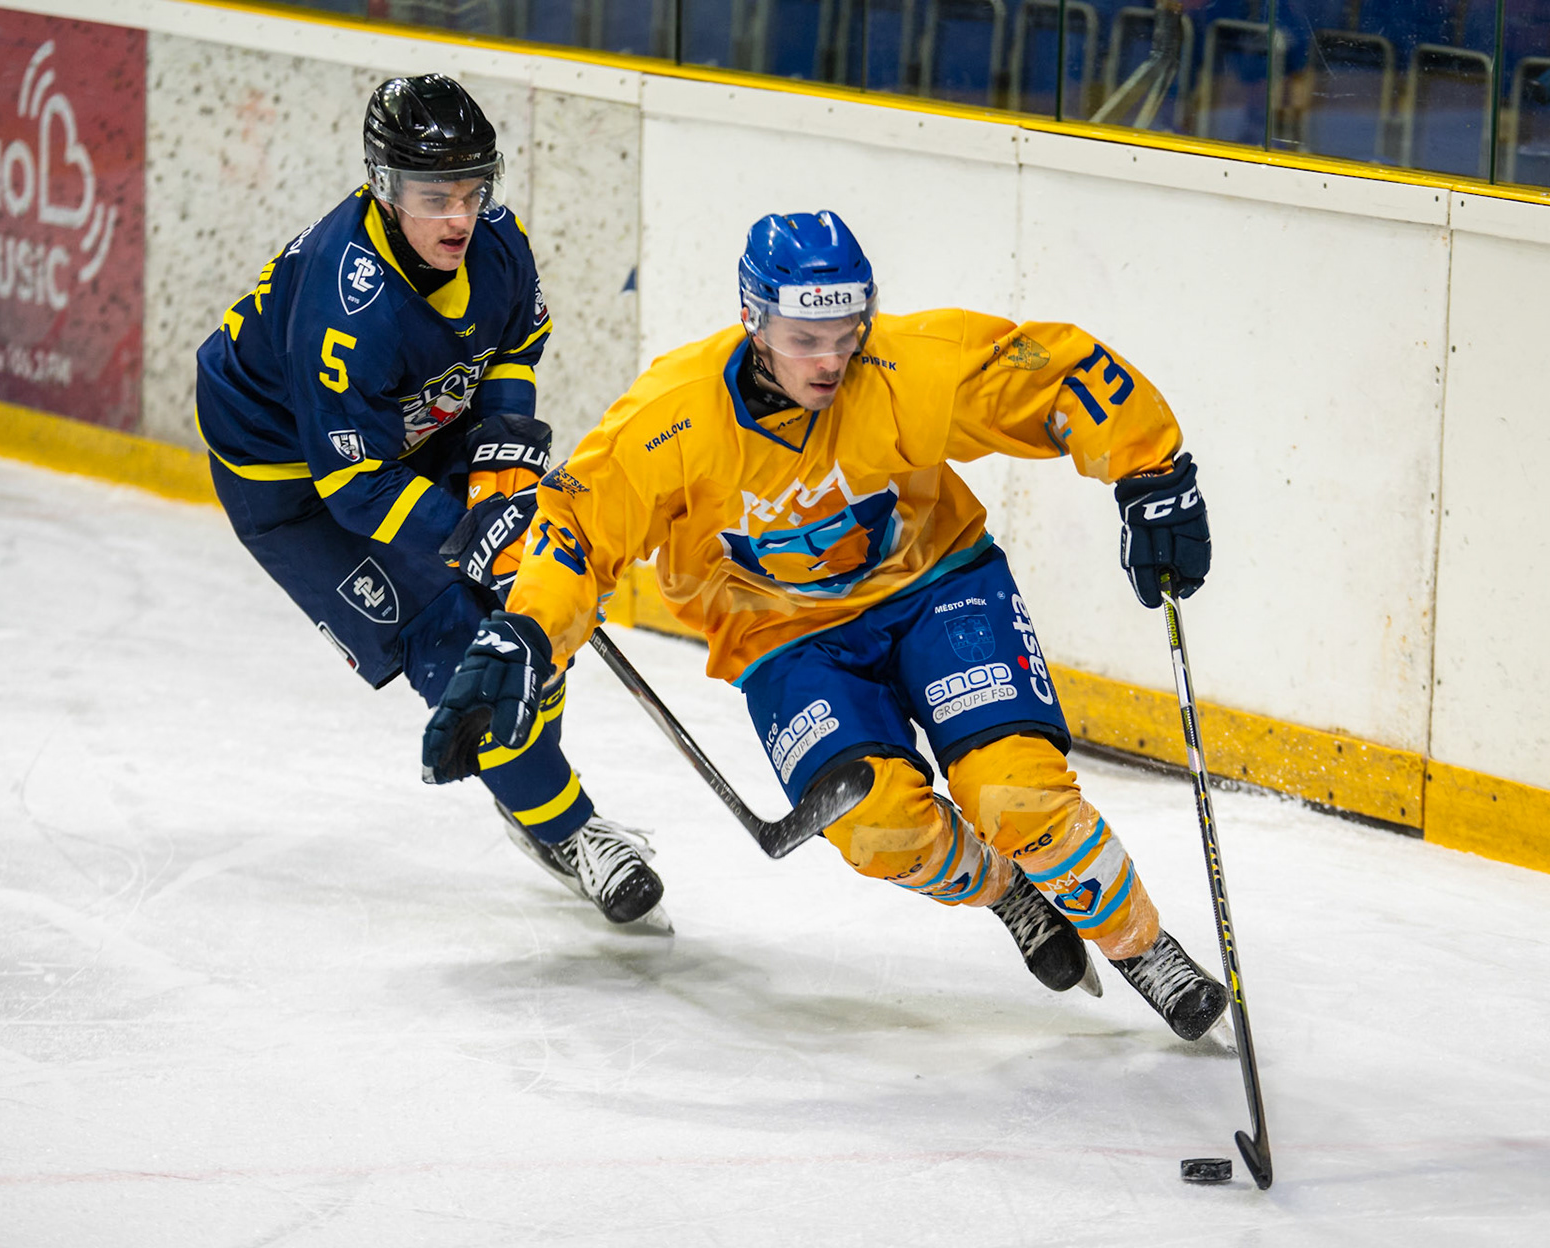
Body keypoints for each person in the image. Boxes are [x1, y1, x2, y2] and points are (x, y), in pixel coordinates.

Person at [423, 211, 1227, 1040]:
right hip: (782, 637)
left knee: (1016, 794)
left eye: (846, 333)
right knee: (881, 826)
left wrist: (1153, 471)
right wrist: (528, 633)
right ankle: (1008, 890)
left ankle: (1145, 950)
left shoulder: (902, 364)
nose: (831, 360)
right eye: (805, 338)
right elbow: (576, 530)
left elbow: (1053, 374)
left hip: (938, 583)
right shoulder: (673, 414)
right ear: (754, 320)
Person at [195, 74, 664, 929]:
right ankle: (570, 829)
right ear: (384, 186)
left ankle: (532, 786)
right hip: (289, 476)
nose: (459, 217)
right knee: (454, 639)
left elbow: (514, 346)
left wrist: (502, 482)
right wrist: (467, 531)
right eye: (433, 196)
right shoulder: (347, 311)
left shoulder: (497, 241)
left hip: (408, 421)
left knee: (534, 591)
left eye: (472, 190)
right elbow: (355, 488)